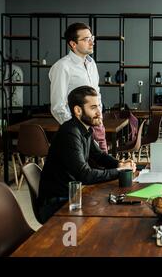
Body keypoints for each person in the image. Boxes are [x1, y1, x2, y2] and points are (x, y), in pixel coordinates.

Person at [38, 86, 136, 223]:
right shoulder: (70, 132)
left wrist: (119, 164)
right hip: (56, 203)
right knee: (111, 215)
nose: (99, 112)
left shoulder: (84, 129)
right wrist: (119, 171)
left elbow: (99, 155)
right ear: (78, 110)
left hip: (73, 196)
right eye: (93, 107)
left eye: (99, 106)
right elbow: (85, 175)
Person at [49, 22, 108, 152]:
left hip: (97, 125)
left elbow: (97, 93)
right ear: (73, 44)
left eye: (92, 38)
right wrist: (76, 130)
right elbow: (58, 107)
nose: (92, 42)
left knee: (104, 165)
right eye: (86, 39)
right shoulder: (62, 67)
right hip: (78, 130)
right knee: (85, 170)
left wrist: (99, 118)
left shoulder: (91, 64)